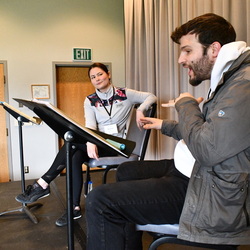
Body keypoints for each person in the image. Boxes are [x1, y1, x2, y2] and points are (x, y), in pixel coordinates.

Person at [85, 13, 250, 249]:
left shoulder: (243, 84)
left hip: (207, 187)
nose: (181, 59)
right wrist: (164, 125)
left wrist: (186, 104)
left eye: (187, 51)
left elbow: (208, 149)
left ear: (214, 49)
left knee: (99, 200)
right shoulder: (230, 78)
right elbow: (209, 132)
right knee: (126, 171)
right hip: (196, 170)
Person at [15, 62, 157, 227]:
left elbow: (151, 97)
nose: (97, 79)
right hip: (99, 142)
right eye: (93, 77)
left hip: (119, 145)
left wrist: (140, 110)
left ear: (108, 74)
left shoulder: (125, 94)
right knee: (74, 153)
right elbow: (90, 125)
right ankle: (73, 207)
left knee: (72, 143)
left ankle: (43, 184)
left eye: (100, 74)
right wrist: (90, 140)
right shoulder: (90, 100)